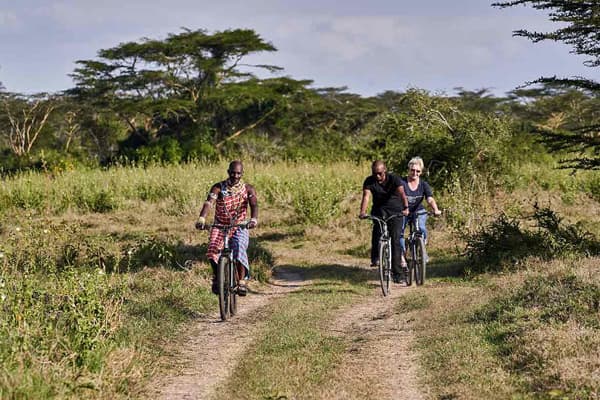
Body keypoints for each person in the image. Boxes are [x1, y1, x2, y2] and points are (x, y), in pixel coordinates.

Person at [195, 160, 258, 296]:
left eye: (238, 173)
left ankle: (241, 282)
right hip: (220, 225)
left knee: (239, 248)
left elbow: (254, 205)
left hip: (239, 226)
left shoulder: (248, 189)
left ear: (242, 174)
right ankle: (217, 278)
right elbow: (209, 203)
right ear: (228, 172)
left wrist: (253, 219)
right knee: (212, 249)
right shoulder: (218, 187)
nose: (235, 176)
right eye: (233, 173)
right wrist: (202, 218)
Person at [359, 160, 410, 283]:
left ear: (385, 171)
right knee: (376, 232)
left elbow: (402, 193)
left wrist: (406, 208)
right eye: (375, 173)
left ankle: (397, 274)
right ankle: (375, 257)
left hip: (395, 211)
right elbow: (366, 196)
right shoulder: (369, 181)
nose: (377, 176)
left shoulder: (394, 179)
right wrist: (362, 212)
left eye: (380, 173)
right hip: (379, 210)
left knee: (396, 241)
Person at [399, 156, 442, 266]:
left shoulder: (423, 185)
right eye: (412, 170)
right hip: (403, 211)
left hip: (418, 211)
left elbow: (430, 199)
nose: (415, 173)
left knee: (421, 228)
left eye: (417, 171)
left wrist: (435, 209)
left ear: (421, 172)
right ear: (408, 169)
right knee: (399, 232)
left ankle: (422, 249)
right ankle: (402, 255)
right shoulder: (401, 183)